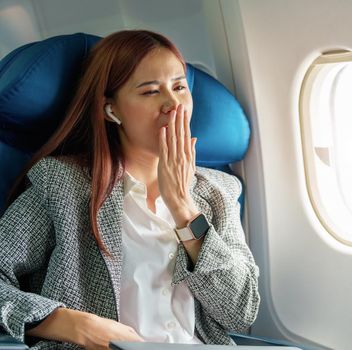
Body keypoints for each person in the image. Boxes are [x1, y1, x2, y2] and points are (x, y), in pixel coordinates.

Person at [0, 30, 260, 349]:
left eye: (179, 87)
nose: (173, 104)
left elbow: (241, 312)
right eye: (151, 91)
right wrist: (68, 323)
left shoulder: (219, 191)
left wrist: (184, 209)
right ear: (112, 110)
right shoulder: (61, 184)